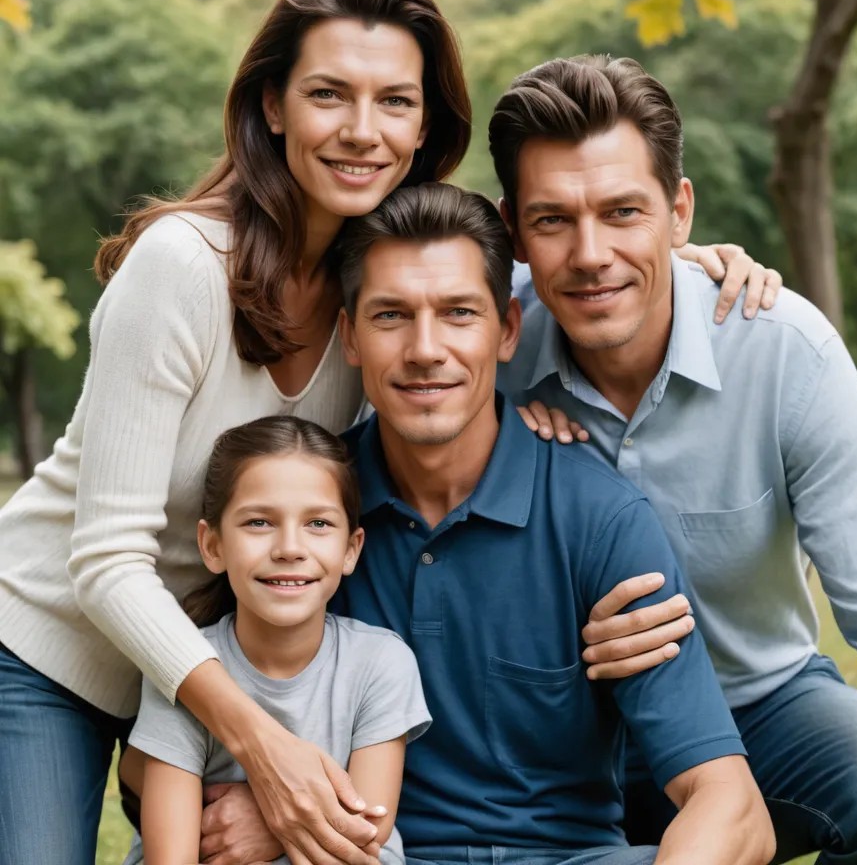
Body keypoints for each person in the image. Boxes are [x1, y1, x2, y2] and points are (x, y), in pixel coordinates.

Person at [0, 0, 770, 864]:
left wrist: (678, 259)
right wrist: (264, 752)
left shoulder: (369, 281)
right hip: (60, 644)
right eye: (329, 94)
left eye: (395, 101)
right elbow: (105, 560)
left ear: (423, 125)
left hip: (223, 652)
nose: (362, 131)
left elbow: (527, 277)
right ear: (273, 105)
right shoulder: (184, 267)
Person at [489, 55, 857, 865]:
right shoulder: (473, 350)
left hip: (756, 714)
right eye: (553, 220)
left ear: (679, 212)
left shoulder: (785, 353)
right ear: (514, 230)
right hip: (547, 736)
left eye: (624, 212)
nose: (591, 253)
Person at [199, 182, 777, 865]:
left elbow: (733, 808)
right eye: (391, 315)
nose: (425, 349)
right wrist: (288, 807)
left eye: (458, 313)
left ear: (506, 330)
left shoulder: (601, 519)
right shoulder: (300, 517)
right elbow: (173, 747)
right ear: (350, 336)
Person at [124, 415, 430, 865]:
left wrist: (271, 826)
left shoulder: (381, 663)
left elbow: (363, 834)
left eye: (318, 523)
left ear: (351, 549)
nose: (289, 548)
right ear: (212, 546)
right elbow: (172, 857)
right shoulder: (185, 666)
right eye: (259, 522)